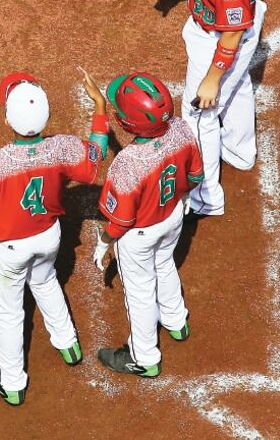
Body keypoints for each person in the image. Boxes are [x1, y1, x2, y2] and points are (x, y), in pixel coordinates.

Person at [0, 70, 108, 406]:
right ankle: (68, 344)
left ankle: (12, 383)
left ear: (7, 119)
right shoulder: (62, 147)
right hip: (48, 237)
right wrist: (101, 109)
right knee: (46, 282)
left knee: (8, 313)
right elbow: (96, 155)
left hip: (10, 249)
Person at [144, 0, 266, 217]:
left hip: (221, 36)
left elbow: (232, 32)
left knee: (199, 113)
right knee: (239, 83)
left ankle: (205, 197)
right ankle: (240, 152)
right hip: (237, 21)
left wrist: (212, 76)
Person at [92, 73, 203, 377]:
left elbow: (120, 221)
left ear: (129, 123)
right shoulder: (180, 129)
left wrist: (104, 241)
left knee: (139, 292)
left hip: (139, 234)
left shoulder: (127, 164)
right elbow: (195, 176)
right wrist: (181, 197)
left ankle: (144, 358)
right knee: (165, 264)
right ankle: (176, 321)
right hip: (173, 217)